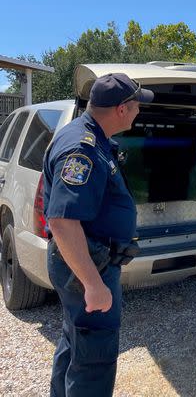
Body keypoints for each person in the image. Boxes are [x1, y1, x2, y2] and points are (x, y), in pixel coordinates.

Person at [44, 72, 153, 396]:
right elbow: (62, 222)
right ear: (122, 108)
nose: (139, 112)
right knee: (94, 356)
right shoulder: (82, 147)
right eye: (137, 106)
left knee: (76, 339)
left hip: (89, 261)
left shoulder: (95, 138)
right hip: (87, 266)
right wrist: (93, 284)